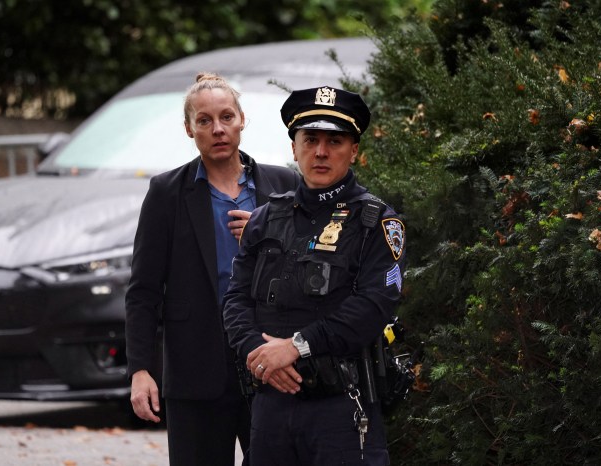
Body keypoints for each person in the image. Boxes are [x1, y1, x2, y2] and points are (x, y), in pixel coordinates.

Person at [222, 86, 406, 465]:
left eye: (334, 141)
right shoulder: (264, 219)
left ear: (354, 151)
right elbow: (236, 299)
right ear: (294, 147)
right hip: (271, 405)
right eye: (311, 140)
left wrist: (295, 346)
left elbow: (374, 307)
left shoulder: (377, 223)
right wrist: (259, 355)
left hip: (341, 407)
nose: (321, 152)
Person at [125, 73, 299, 466]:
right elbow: (143, 291)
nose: (217, 129)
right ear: (189, 129)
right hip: (195, 369)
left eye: (226, 117)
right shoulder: (167, 192)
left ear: (242, 120)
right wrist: (140, 370)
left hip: (269, 360)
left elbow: (308, 269)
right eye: (204, 121)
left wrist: (264, 236)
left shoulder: (283, 184)